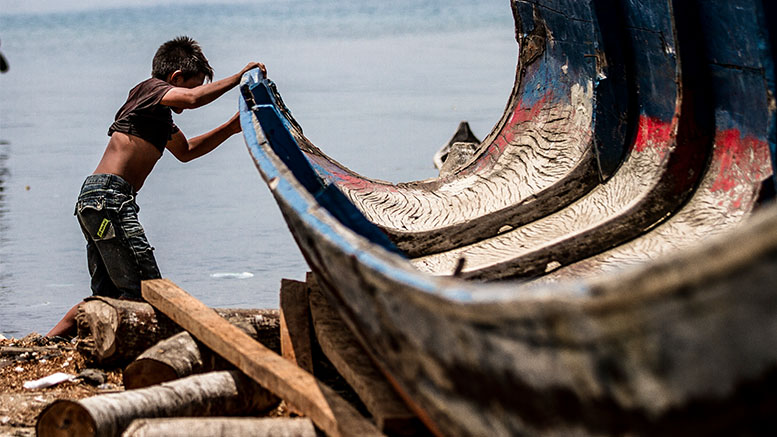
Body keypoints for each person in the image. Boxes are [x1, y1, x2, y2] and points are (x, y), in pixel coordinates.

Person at [46, 36, 265, 337]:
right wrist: (239, 77)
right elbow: (192, 99)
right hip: (110, 200)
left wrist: (230, 128)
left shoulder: (158, 117)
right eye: (193, 84)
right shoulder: (150, 90)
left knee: (108, 298)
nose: (191, 95)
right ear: (175, 78)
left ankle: (43, 342)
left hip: (97, 204)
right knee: (150, 290)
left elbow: (187, 151)